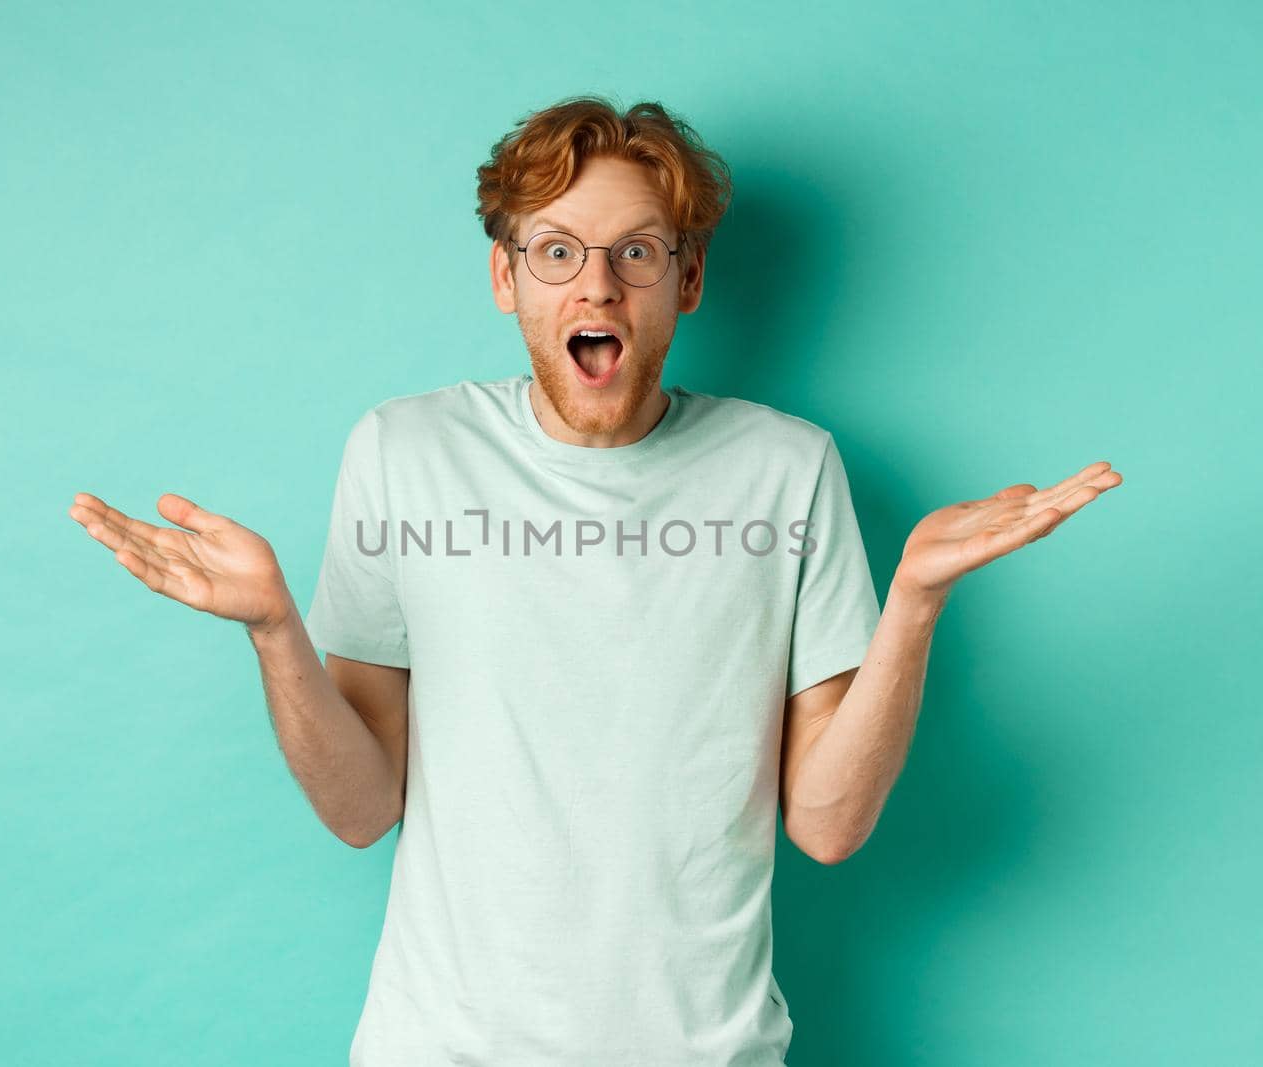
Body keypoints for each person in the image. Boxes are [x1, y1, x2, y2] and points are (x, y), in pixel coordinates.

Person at [67, 95, 1122, 1066]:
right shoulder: (405, 450)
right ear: (506, 277)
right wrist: (274, 631)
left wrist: (914, 603)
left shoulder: (786, 466)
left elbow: (828, 823)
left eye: (636, 252)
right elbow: (358, 806)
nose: (597, 284)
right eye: (557, 250)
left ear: (689, 277)